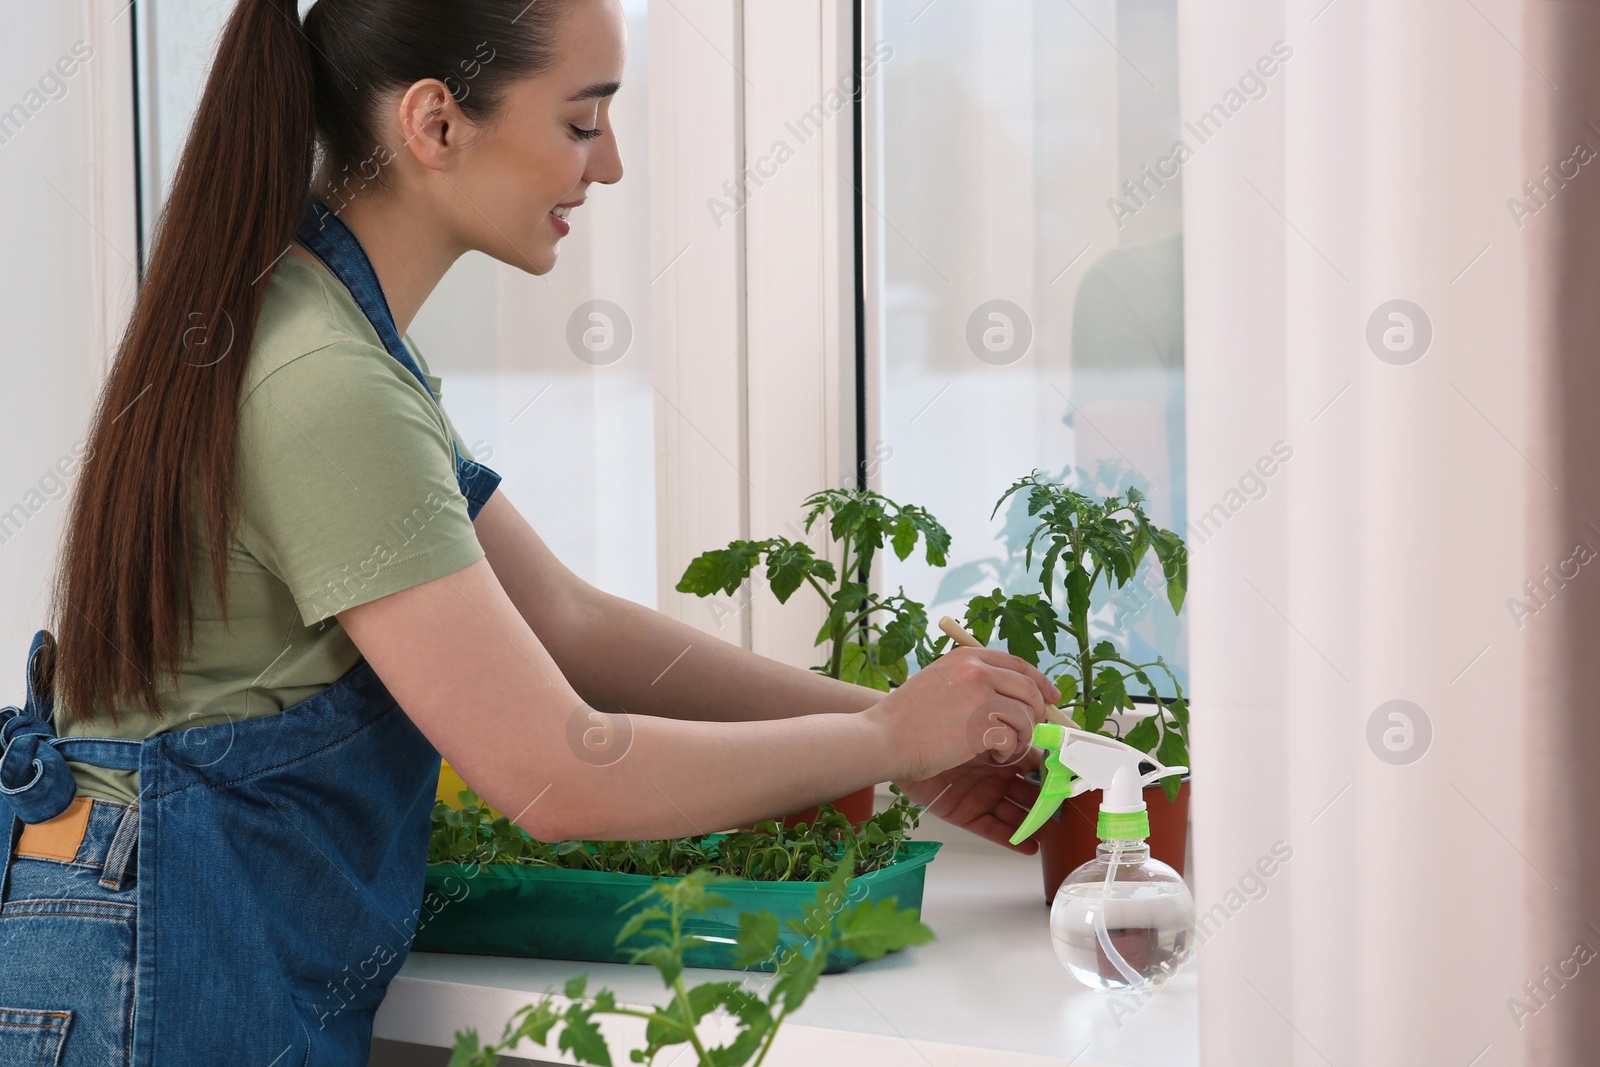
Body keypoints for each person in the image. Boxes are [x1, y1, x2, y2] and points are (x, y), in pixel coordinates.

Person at [0, 1, 1055, 1064]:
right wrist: (884, 740)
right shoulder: (326, 381)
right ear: (437, 123)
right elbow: (555, 772)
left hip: (151, 939)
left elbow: (566, 622)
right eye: (582, 122)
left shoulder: (323, 326)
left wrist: (895, 730)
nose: (609, 169)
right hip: (151, 968)